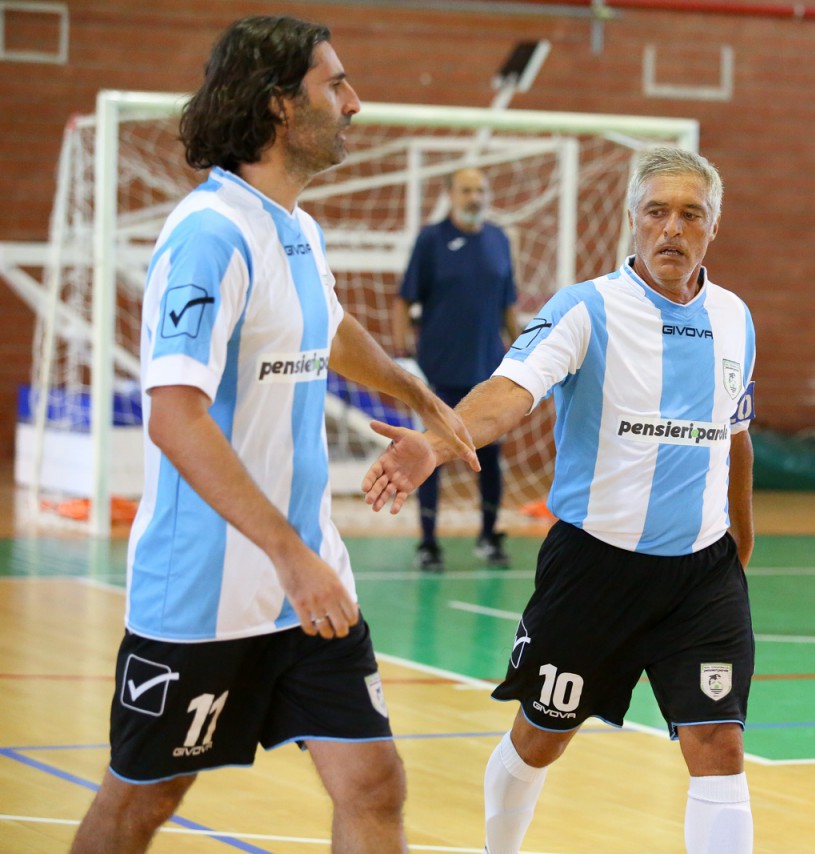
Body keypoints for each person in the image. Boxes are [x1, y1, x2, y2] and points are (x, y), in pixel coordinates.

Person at [70, 16, 478, 853]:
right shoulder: (208, 235)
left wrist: (418, 395)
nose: (355, 102)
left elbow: (324, 330)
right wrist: (292, 558)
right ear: (279, 107)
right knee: (140, 802)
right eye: (336, 85)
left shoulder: (296, 226)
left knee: (372, 781)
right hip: (205, 596)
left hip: (308, 587)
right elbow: (174, 416)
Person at [364, 147, 758, 854]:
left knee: (719, 744)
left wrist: (740, 548)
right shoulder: (585, 308)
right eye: (657, 212)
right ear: (633, 222)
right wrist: (437, 441)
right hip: (594, 571)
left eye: (690, 214)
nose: (673, 228)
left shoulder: (735, 318)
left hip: (701, 576)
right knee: (541, 738)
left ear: (714, 227)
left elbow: (737, 438)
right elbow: (511, 392)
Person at [392, 167, 522, 571]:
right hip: (438, 372)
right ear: (450, 194)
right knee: (430, 453)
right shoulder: (431, 241)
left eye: (481, 189)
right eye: (466, 190)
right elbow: (403, 300)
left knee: (488, 458)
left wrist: (524, 355)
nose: (475, 197)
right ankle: (429, 543)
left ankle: (488, 534)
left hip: (488, 374)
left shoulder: (499, 240)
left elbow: (509, 306)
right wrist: (403, 358)